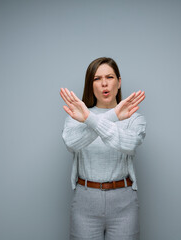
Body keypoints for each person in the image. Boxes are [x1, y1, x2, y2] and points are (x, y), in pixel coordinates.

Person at [60, 57, 146, 240]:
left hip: (124, 202)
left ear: (119, 82)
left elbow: (128, 144)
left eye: (110, 77)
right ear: (90, 84)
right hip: (85, 200)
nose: (104, 83)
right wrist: (113, 116)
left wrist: (91, 119)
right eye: (97, 79)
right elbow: (71, 143)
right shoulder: (76, 116)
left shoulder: (134, 118)